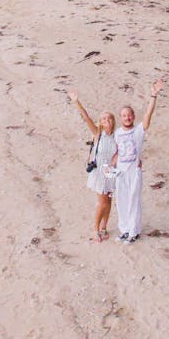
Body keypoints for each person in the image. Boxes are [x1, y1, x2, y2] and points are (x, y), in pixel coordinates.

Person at [112, 79, 164, 243]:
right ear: (120, 118)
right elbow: (117, 151)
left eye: (129, 115)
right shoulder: (117, 133)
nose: (127, 117)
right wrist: (110, 166)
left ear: (133, 117)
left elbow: (148, 115)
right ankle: (124, 230)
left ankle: (134, 231)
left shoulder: (138, 131)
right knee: (121, 201)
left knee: (134, 201)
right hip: (120, 172)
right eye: (124, 115)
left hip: (134, 171)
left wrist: (153, 96)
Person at [69, 90, 118, 242]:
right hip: (98, 173)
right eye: (104, 119)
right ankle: (95, 229)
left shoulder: (117, 136)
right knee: (102, 202)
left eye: (109, 118)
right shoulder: (98, 133)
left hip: (111, 173)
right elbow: (86, 118)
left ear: (113, 121)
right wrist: (77, 102)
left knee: (109, 201)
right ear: (101, 123)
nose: (107, 120)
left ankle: (104, 227)